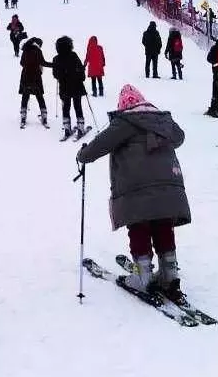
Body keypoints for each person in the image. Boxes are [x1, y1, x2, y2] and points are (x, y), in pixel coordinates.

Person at [76, 84, 191, 299]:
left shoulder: (125, 122)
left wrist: (83, 155)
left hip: (136, 190)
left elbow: (98, 146)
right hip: (170, 188)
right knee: (163, 225)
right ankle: (169, 273)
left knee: (139, 226)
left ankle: (143, 275)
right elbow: (179, 137)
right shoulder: (163, 121)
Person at [52, 36, 87, 138]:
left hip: (64, 88)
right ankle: (80, 128)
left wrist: (62, 77)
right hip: (77, 86)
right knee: (78, 107)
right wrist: (81, 77)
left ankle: (67, 129)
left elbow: (55, 74)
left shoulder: (56, 58)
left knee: (66, 108)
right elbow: (80, 69)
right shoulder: (73, 55)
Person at [18, 37, 51, 128]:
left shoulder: (26, 50)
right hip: (36, 77)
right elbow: (43, 63)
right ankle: (44, 118)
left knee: (25, 97)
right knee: (40, 97)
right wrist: (54, 65)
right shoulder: (38, 51)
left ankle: (23, 117)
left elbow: (21, 63)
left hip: (26, 77)